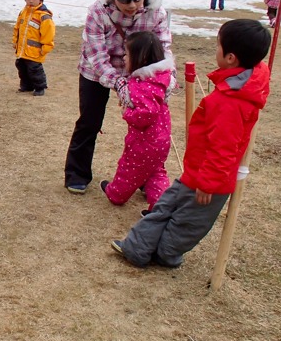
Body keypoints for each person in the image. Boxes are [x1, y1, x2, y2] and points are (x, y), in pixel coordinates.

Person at [111, 19, 271, 269]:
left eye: (218, 45)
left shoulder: (230, 102)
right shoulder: (243, 81)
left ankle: (166, 254)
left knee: (188, 222)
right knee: (165, 206)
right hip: (196, 171)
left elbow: (223, 148)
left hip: (210, 182)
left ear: (230, 57)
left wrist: (208, 184)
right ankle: (136, 248)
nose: (214, 49)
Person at [64, 0, 174, 194]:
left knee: (150, 128)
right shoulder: (98, 11)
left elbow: (163, 49)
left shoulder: (157, 13)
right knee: (89, 121)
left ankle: (148, 178)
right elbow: (96, 54)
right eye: (125, 0)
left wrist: (167, 80)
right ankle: (77, 173)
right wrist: (119, 83)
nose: (133, 5)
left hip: (142, 75)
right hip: (97, 72)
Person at [100, 31, 174, 215]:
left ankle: (115, 193)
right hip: (161, 139)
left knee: (128, 168)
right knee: (156, 172)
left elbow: (146, 113)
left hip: (144, 142)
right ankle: (160, 208)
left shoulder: (142, 85)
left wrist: (127, 113)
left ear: (140, 58)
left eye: (126, 54)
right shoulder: (161, 77)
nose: (124, 58)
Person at [12, 0, 55, 96]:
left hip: (35, 51)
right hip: (22, 50)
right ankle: (26, 86)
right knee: (21, 67)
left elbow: (48, 34)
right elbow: (17, 28)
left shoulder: (44, 16)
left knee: (35, 70)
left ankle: (40, 87)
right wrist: (15, 42)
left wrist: (45, 48)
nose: (30, 1)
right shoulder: (23, 12)